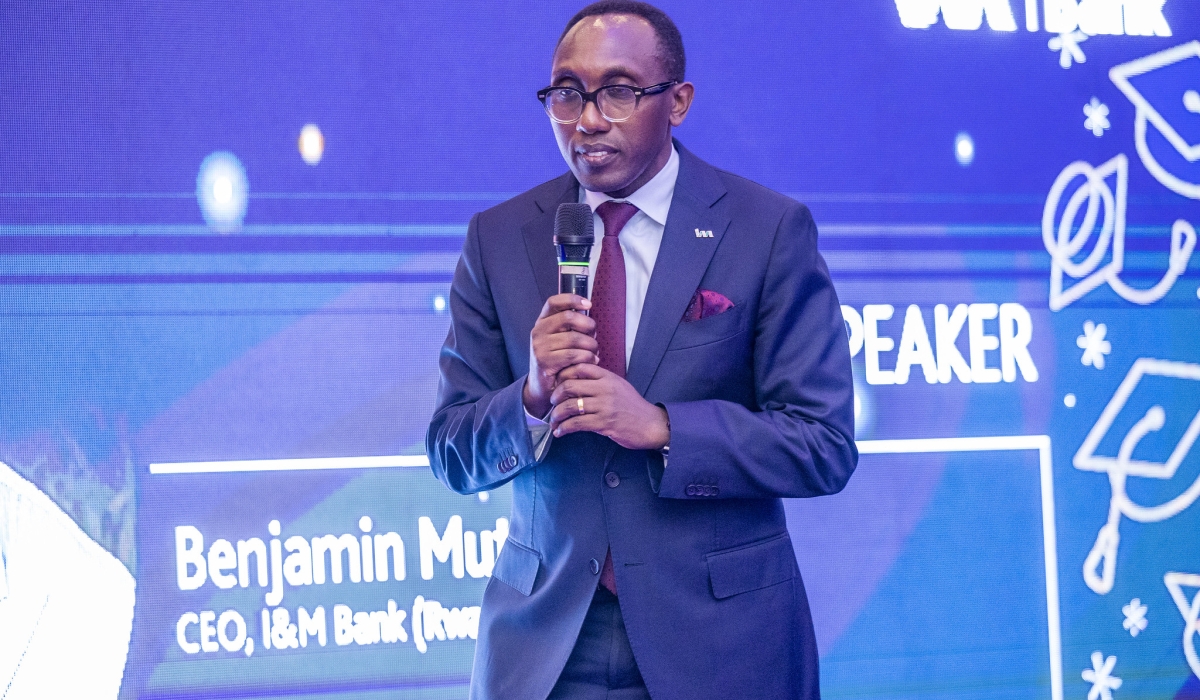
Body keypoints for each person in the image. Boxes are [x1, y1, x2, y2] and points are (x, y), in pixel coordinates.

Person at [425, 2, 857, 698]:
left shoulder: (767, 230)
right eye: (567, 93)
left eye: (619, 92)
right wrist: (530, 398)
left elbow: (822, 444)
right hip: (545, 647)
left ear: (677, 102)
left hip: (723, 643)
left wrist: (662, 427)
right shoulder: (498, 238)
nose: (588, 119)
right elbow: (451, 452)